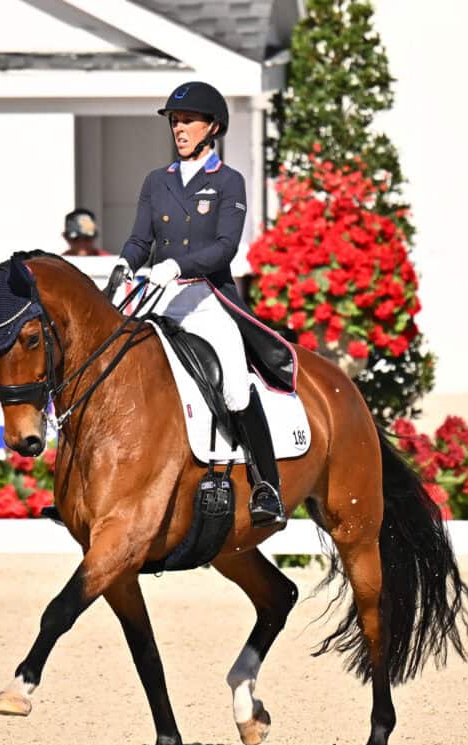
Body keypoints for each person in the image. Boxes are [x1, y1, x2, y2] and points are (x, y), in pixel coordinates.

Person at [113, 81, 296, 528]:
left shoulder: (228, 181)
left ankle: (265, 484)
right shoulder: (156, 182)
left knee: (235, 384)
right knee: (110, 363)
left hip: (207, 297)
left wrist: (175, 265)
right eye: (175, 121)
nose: (179, 129)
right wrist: (125, 262)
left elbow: (224, 248)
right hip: (159, 295)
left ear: (212, 127)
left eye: (188, 121)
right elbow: (141, 238)